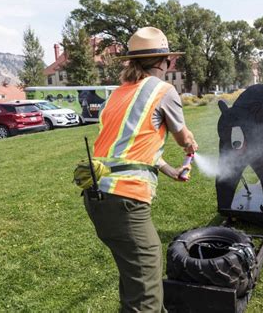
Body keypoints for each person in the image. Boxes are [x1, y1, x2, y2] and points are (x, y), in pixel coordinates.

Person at [83, 27, 198, 312]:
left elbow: (128, 147)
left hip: (98, 198)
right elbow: (183, 137)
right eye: (169, 61)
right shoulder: (163, 90)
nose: (169, 66)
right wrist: (189, 144)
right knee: (144, 295)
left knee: (138, 279)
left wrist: (169, 169)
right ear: (163, 62)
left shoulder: (119, 94)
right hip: (126, 201)